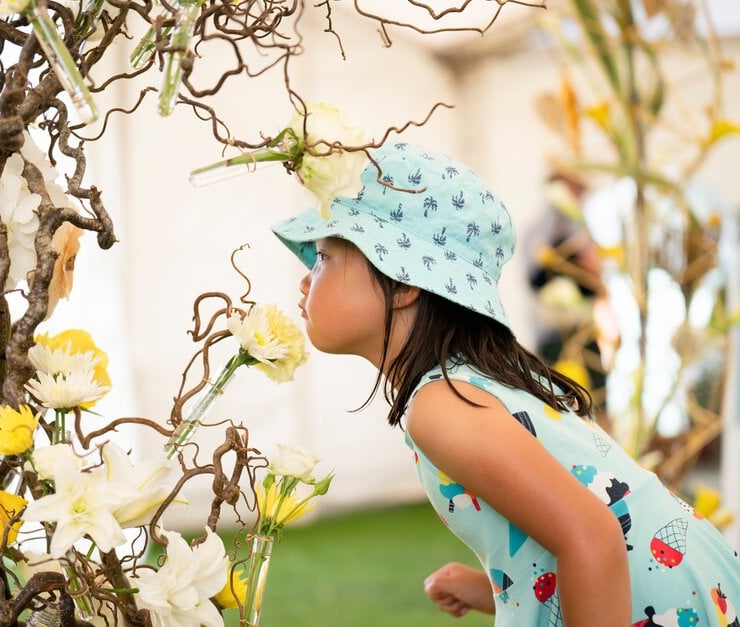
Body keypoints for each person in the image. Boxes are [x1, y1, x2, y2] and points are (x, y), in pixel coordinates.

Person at [270, 142, 740, 625]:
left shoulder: (440, 405)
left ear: (404, 280)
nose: (307, 279)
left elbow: (594, 537)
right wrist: (490, 586)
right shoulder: (474, 380)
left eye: (324, 256)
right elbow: (584, 528)